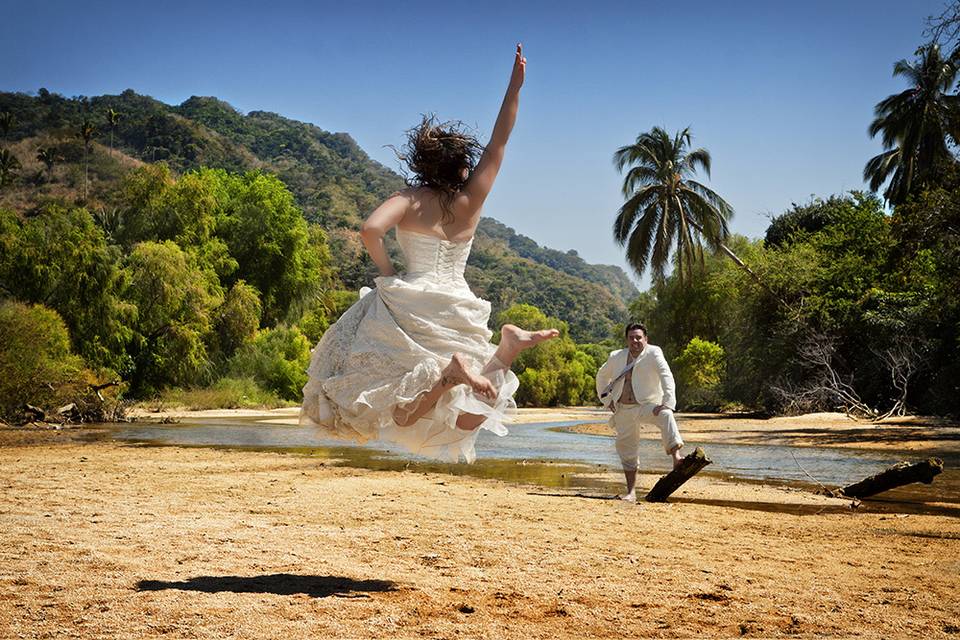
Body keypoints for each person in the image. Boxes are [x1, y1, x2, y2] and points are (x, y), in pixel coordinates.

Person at [300, 44, 558, 462]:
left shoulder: (408, 199)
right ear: (460, 167)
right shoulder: (471, 201)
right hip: (457, 303)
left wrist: (388, 275)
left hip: (412, 305)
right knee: (460, 423)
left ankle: (454, 375)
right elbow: (499, 143)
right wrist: (515, 87)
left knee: (404, 417)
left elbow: (370, 230)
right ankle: (503, 351)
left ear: (425, 164)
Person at [595, 322, 684, 501]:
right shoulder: (616, 356)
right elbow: (601, 376)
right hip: (623, 408)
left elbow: (666, 376)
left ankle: (676, 457)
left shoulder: (654, 353)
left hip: (646, 405)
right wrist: (606, 400)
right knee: (627, 449)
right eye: (631, 338)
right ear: (627, 339)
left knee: (666, 415)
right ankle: (631, 493)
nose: (635, 341)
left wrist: (667, 402)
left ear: (646, 339)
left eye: (638, 337)